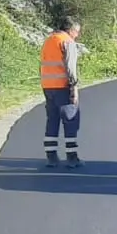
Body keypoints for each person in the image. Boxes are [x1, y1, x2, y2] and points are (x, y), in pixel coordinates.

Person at [39, 15, 82, 169]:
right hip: (63, 86)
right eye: (77, 32)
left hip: (47, 85)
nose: (77, 35)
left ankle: (51, 157)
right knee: (70, 120)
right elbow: (70, 67)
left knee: (52, 120)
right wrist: (74, 88)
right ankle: (72, 157)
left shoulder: (49, 40)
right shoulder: (67, 42)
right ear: (71, 30)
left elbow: (42, 64)